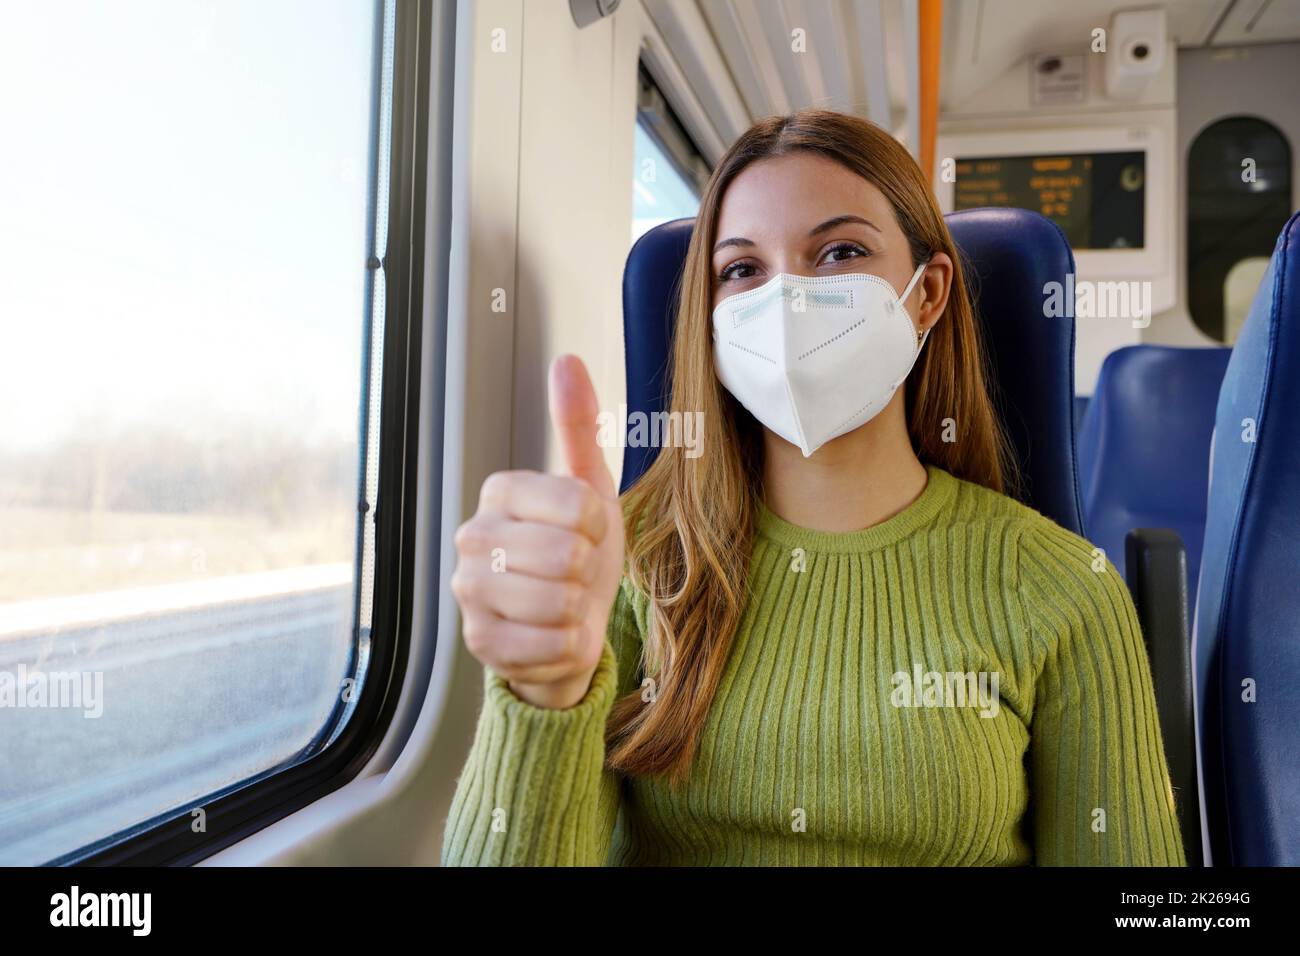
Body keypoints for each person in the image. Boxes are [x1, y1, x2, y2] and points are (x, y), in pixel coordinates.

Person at [441, 108, 1186, 866]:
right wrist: (545, 693)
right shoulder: (626, 560)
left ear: (926, 294)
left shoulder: (1063, 590)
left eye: (838, 253)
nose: (787, 301)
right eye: (742, 270)